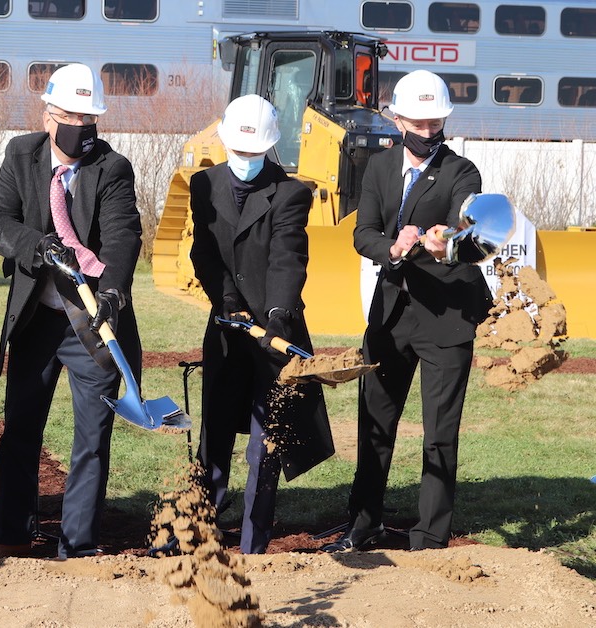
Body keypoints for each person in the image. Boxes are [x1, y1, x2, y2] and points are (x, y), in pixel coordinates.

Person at [324, 70, 489, 552]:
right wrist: (392, 250)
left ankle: (430, 536)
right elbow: (364, 233)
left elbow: (467, 222)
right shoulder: (377, 168)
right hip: (391, 313)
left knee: (440, 433)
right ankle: (363, 524)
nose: (427, 131)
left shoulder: (462, 171)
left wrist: (445, 242)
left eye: (435, 122)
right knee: (375, 423)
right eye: (417, 123)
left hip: (447, 316)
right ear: (397, 120)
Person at [0, 63, 142, 559]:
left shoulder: (111, 168)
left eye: (89, 118)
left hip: (90, 325)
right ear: (48, 116)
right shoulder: (21, 154)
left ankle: (77, 544)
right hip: (36, 321)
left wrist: (113, 290)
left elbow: (122, 235)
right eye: (71, 116)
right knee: (20, 432)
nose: (81, 127)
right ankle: (10, 535)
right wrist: (39, 246)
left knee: (91, 438)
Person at [189, 94, 334, 554]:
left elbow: (286, 257)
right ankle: (198, 534)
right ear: (226, 142)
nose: (246, 160)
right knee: (213, 437)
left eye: (255, 152)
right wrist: (227, 299)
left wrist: (277, 314)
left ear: (269, 147)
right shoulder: (204, 185)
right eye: (239, 151)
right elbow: (205, 252)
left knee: (264, 446)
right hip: (226, 332)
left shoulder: (291, 193)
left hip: (275, 335)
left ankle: (254, 545)